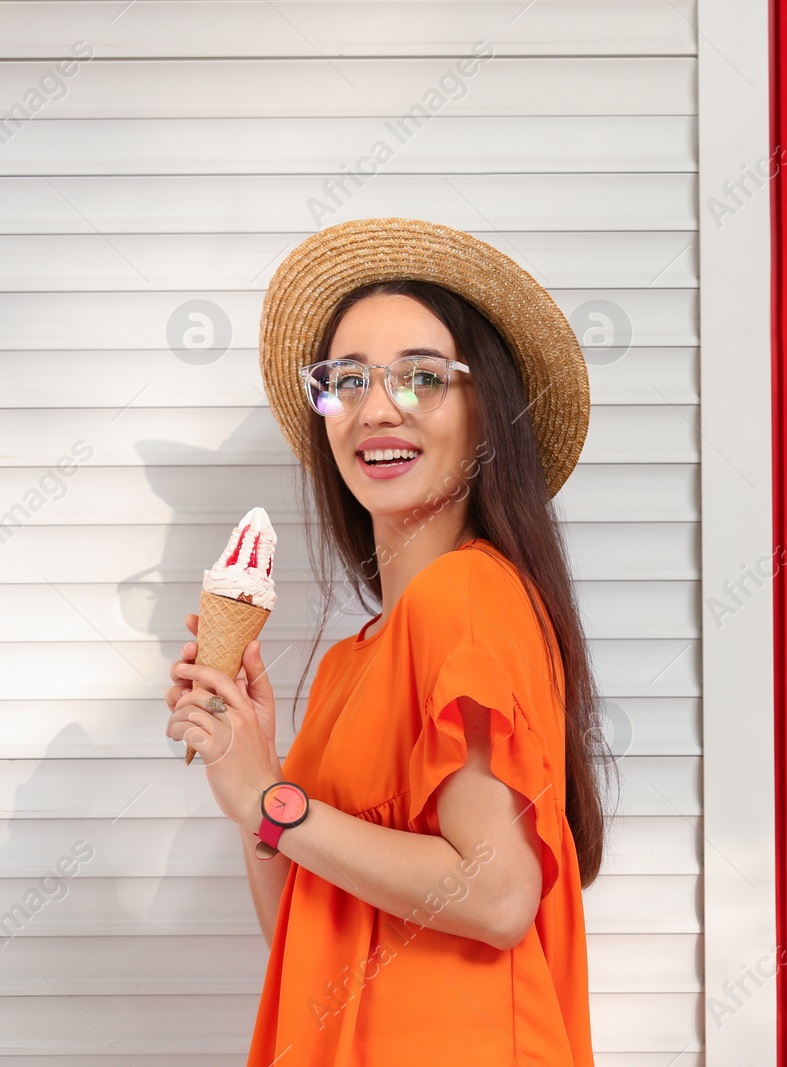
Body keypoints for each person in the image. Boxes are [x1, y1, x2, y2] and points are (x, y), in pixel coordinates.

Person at [163, 218, 610, 1065]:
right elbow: (300, 928)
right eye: (347, 378)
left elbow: (498, 892)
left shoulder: (464, 594)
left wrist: (272, 799)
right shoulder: (349, 660)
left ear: (488, 414)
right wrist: (248, 766)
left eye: (422, 377)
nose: (376, 407)